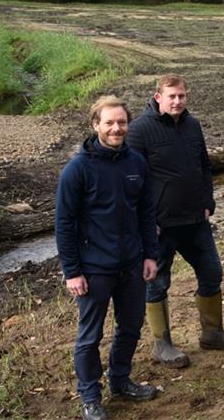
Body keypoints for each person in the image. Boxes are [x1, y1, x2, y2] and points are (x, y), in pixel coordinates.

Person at [127, 74, 224, 370]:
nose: (178, 101)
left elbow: (204, 166)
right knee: (157, 285)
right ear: (158, 97)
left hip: (195, 219)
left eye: (182, 96)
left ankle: (212, 333)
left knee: (212, 273)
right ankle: (162, 344)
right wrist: (144, 221)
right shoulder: (140, 131)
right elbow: (131, 180)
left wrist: (208, 201)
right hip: (160, 226)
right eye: (172, 96)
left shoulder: (193, 125)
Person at [55, 96, 160, 420]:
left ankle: (120, 380)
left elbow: (145, 213)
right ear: (95, 125)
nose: (116, 128)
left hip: (131, 264)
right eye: (109, 122)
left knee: (131, 326)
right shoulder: (77, 169)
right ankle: (90, 397)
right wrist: (72, 272)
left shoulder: (136, 163)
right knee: (90, 336)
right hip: (94, 269)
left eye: (122, 122)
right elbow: (64, 224)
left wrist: (150, 255)